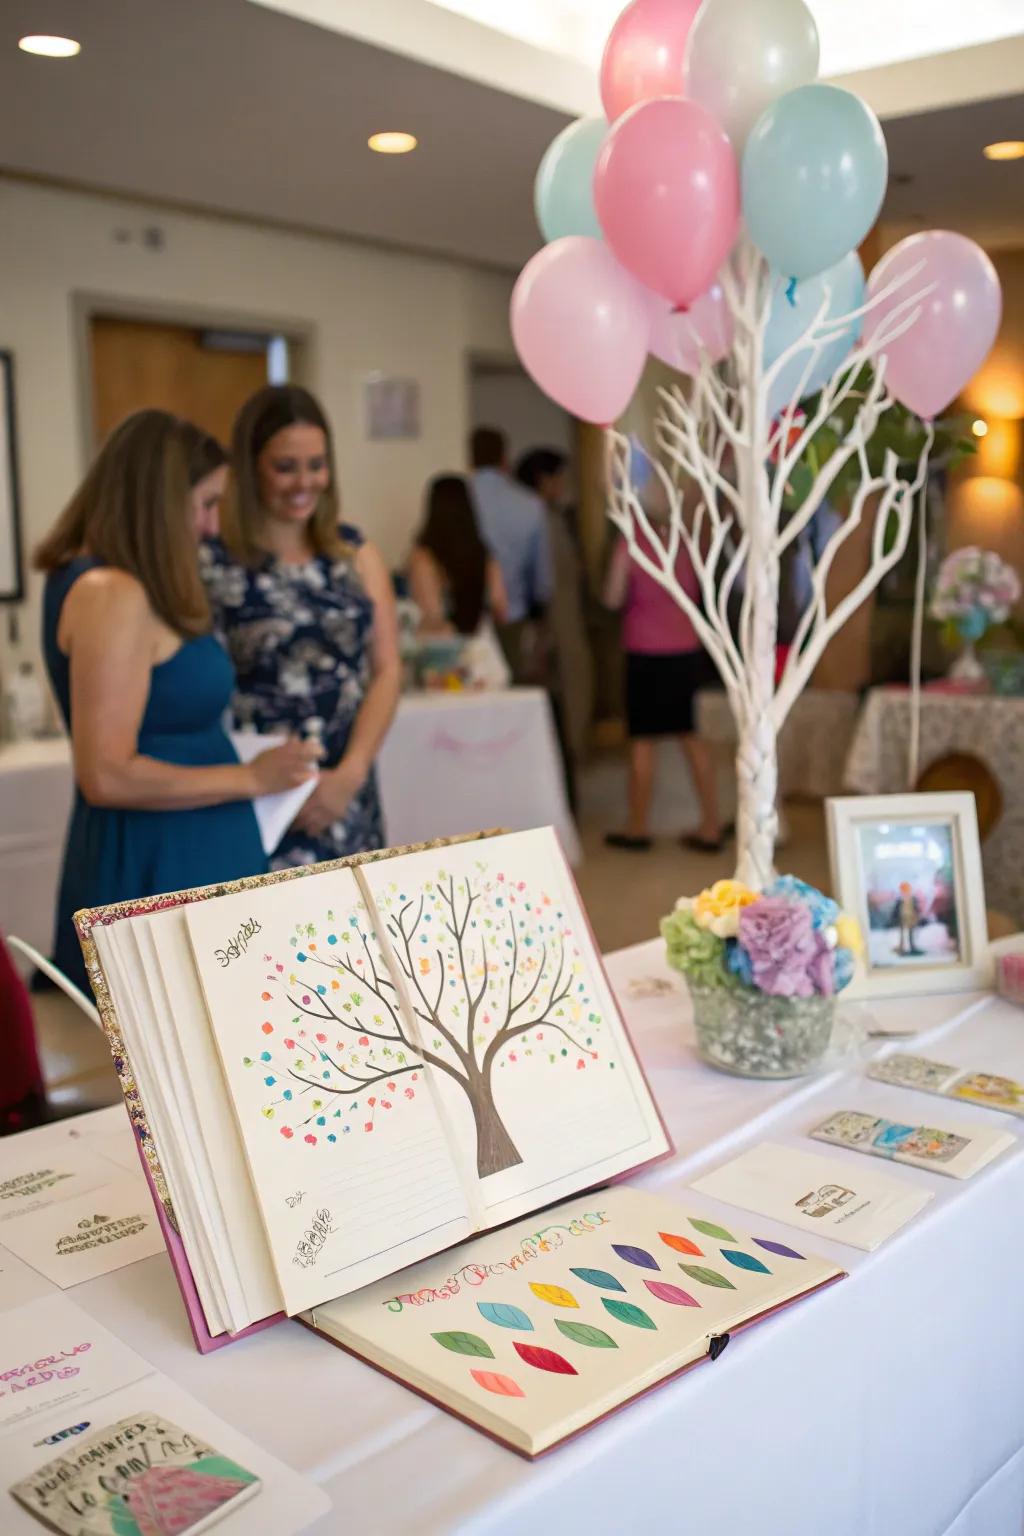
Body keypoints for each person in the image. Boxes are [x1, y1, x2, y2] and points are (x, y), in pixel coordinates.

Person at [34, 410, 316, 993]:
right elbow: (107, 774)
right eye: (206, 503)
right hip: (158, 860)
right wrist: (248, 779)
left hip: (188, 848)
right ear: (159, 503)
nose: (212, 526)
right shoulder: (109, 591)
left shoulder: (117, 585)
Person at [202, 384, 401, 869]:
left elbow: (386, 670)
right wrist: (259, 786)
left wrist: (349, 775)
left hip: (346, 786)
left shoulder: (354, 553)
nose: (304, 482)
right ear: (250, 469)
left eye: (317, 465)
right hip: (261, 796)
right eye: (285, 467)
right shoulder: (212, 562)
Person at [603, 487, 724, 853]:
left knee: (642, 740)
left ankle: (637, 827)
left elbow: (612, 596)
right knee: (691, 736)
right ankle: (711, 825)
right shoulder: (687, 546)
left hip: (645, 652)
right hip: (685, 650)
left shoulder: (631, 546)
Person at [515, 447, 594, 794]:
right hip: (558, 625)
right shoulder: (538, 517)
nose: (564, 484)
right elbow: (543, 581)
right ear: (543, 480)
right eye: (559, 477)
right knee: (569, 695)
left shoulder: (553, 516)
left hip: (568, 620)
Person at [469, 426, 552, 681]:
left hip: (465, 616)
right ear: (504, 458)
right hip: (514, 613)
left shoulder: (460, 500)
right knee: (513, 691)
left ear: (470, 456)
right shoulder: (530, 504)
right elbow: (543, 576)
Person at [408, 475, 508, 636]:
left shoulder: (423, 556)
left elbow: (431, 613)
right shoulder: (482, 551)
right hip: (481, 643)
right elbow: (499, 604)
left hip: (442, 647)